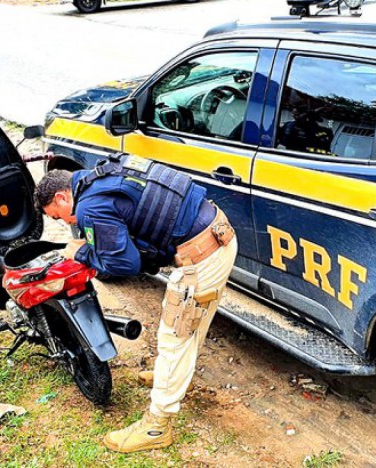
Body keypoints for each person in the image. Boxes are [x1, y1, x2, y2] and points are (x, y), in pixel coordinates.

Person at [35, 155, 237, 454]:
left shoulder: (89, 206)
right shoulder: (103, 174)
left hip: (201, 257)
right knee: (194, 323)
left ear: (63, 197)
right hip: (219, 235)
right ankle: (172, 378)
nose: (65, 221)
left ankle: (157, 425)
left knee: (175, 337)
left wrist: (80, 252)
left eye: (57, 215)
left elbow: (124, 263)